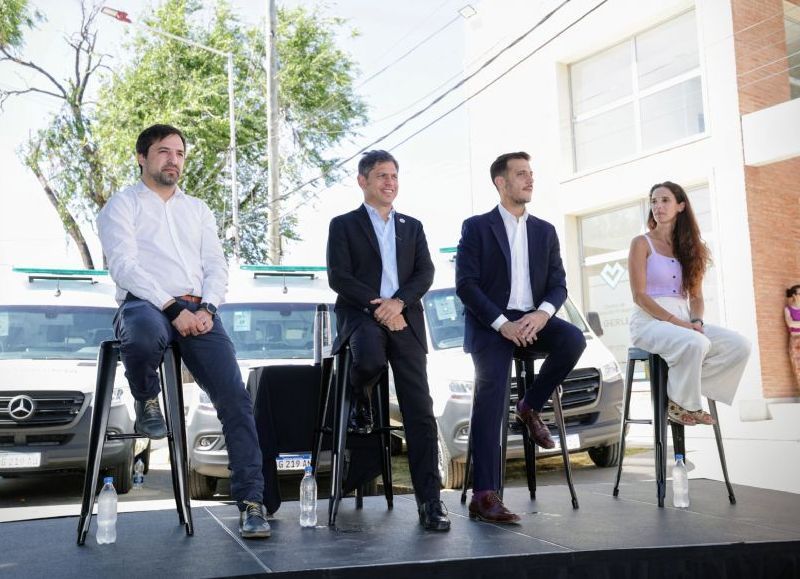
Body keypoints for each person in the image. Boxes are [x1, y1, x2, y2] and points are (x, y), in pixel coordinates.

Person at [97, 124, 270, 540]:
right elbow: (125, 266)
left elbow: (216, 264)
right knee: (140, 336)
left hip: (199, 310)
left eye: (179, 153)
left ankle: (251, 502)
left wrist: (208, 307)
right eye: (163, 151)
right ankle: (146, 398)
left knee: (235, 400)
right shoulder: (121, 207)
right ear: (141, 157)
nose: (173, 160)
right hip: (144, 303)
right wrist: (172, 307)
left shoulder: (198, 210)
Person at [455, 152, 586, 524]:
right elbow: (466, 285)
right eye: (521, 174)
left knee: (573, 340)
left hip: (533, 321)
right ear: (501, 182)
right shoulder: (477, 227)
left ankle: (529, 406)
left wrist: (542, 314)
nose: (530, 180)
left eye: (531, 173)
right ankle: (484, 496)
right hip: (491, 326)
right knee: (491, 395)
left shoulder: (544, 230)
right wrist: (502, 324)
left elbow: (559, 283)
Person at [326, 150, 450, 531]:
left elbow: (425, 272)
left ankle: (430, 503)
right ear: (363, 181)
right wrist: (377, 306)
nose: (390, 183)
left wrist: (399, 304)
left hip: (405, 319)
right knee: (369, 361)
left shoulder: (411, 226)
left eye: (394, 176)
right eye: (381, 176)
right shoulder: (343, 225)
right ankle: (360, 399)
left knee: (419, 410)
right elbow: (339, 277)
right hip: (362, 316)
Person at [628, 181, 751, 426]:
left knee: (739, 345)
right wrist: (679, 324)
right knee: (696, 342)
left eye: (664, 200)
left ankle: (682, 386)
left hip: (684, 318)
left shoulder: (691, 248)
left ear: (681, 206)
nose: (657, 206)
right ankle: (684, 404)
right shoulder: (641, 243)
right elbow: (639, 296)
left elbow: (696, 297)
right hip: (649, 320)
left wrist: (695, 321)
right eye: (654, 201)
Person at [784, 285, 800, 390]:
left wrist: (796, 323)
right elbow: (790, 324)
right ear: (794, 295)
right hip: (794, 341)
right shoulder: (787, 309)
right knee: (797, 368)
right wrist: (794, 324)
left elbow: (794, 324)